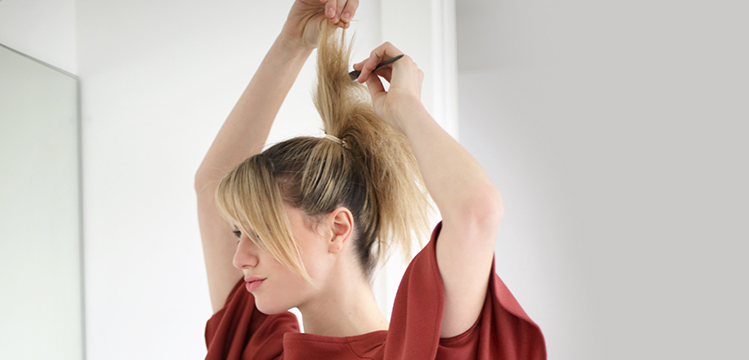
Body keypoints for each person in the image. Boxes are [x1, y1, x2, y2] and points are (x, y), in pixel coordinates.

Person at [195, 1, 545, 358]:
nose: (240, 258)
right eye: (240, 233)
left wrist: (405, 107)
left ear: (337, 228)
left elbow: (477, 211)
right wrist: (293, 41)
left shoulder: (416, 350)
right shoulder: (261, 351)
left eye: (261, 231)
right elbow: (212, 187)